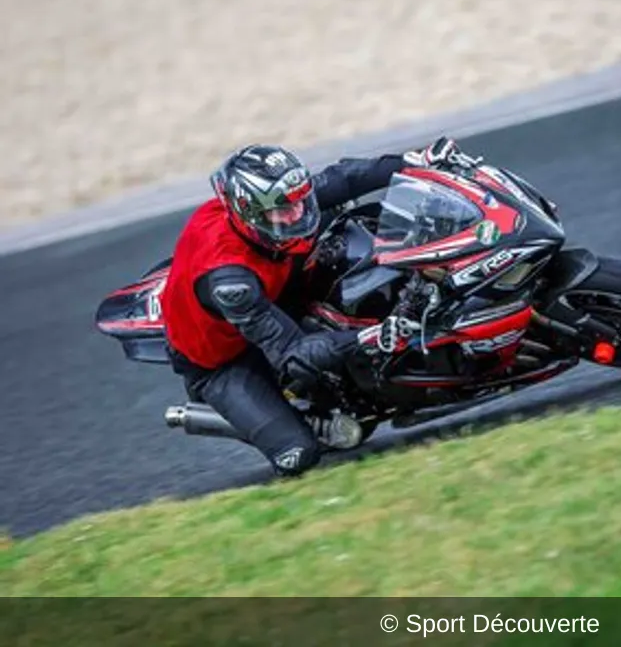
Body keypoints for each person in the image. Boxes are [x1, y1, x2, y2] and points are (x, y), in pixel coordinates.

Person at [160, 136, 469, 478]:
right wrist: (372, 336)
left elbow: (343, 178)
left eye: (299, 203)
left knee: (340, 219)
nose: (297, 216)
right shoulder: (231, 282)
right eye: (283, 212)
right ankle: (235, 415)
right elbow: (296, 354)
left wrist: (414, 159)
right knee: (299, 454)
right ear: (248, 214)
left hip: (272, 287)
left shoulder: (276, 209)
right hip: (222, 360)